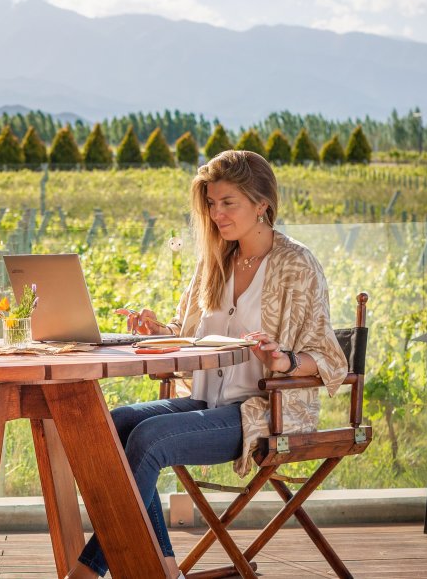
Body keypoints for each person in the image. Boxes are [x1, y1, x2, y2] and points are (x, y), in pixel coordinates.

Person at [65, 149, 348, 579]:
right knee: (115, 424)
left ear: (262, 205)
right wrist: (159, 332)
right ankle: (163, 570)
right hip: (203, 401)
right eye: (211, 204)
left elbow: (328, 359)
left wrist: (284, 359)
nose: (216, 214)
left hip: (261, 413)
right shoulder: (216, 261)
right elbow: (189, 334)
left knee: (149, 440)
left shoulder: (297, 265)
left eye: (227, 203)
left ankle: (89, 572)